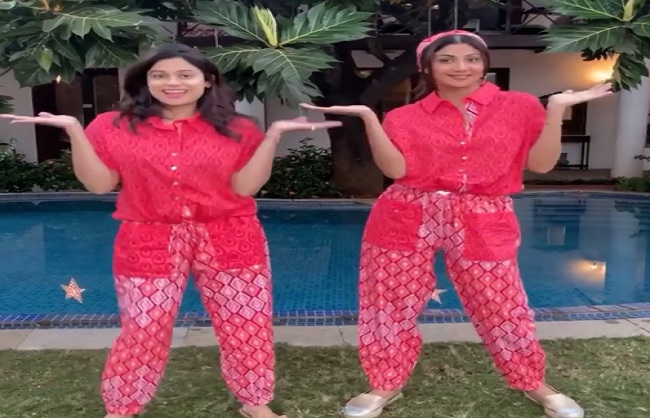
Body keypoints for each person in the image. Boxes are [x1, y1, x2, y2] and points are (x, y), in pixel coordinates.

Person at [0, 43, 341, 418]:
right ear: (145, 81)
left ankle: (255, 402)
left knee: (245, 323)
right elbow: (99, 185)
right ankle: (121, 407)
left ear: (207, 81)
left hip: (229, 234)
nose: (172, 83)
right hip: (148, 236)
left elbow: (244, 188)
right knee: (143, 327)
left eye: (184, 74)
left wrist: (273, 137)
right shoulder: (114, 126)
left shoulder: (238, 128)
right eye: (159, 75)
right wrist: (75, 132)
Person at [302, 29, 613, 418]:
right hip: (406, 209)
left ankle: (532, 381)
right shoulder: (404, 116)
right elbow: (397, 170)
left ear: (484, 63)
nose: (460, 67)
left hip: (484, 213)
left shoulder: (520, 106)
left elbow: (541, 164)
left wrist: (556, 110)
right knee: (388, 301)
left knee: (501, 302)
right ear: (427, 66)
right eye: (446, 59)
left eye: (472, 58)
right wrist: (369, 118)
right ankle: (385, 382)